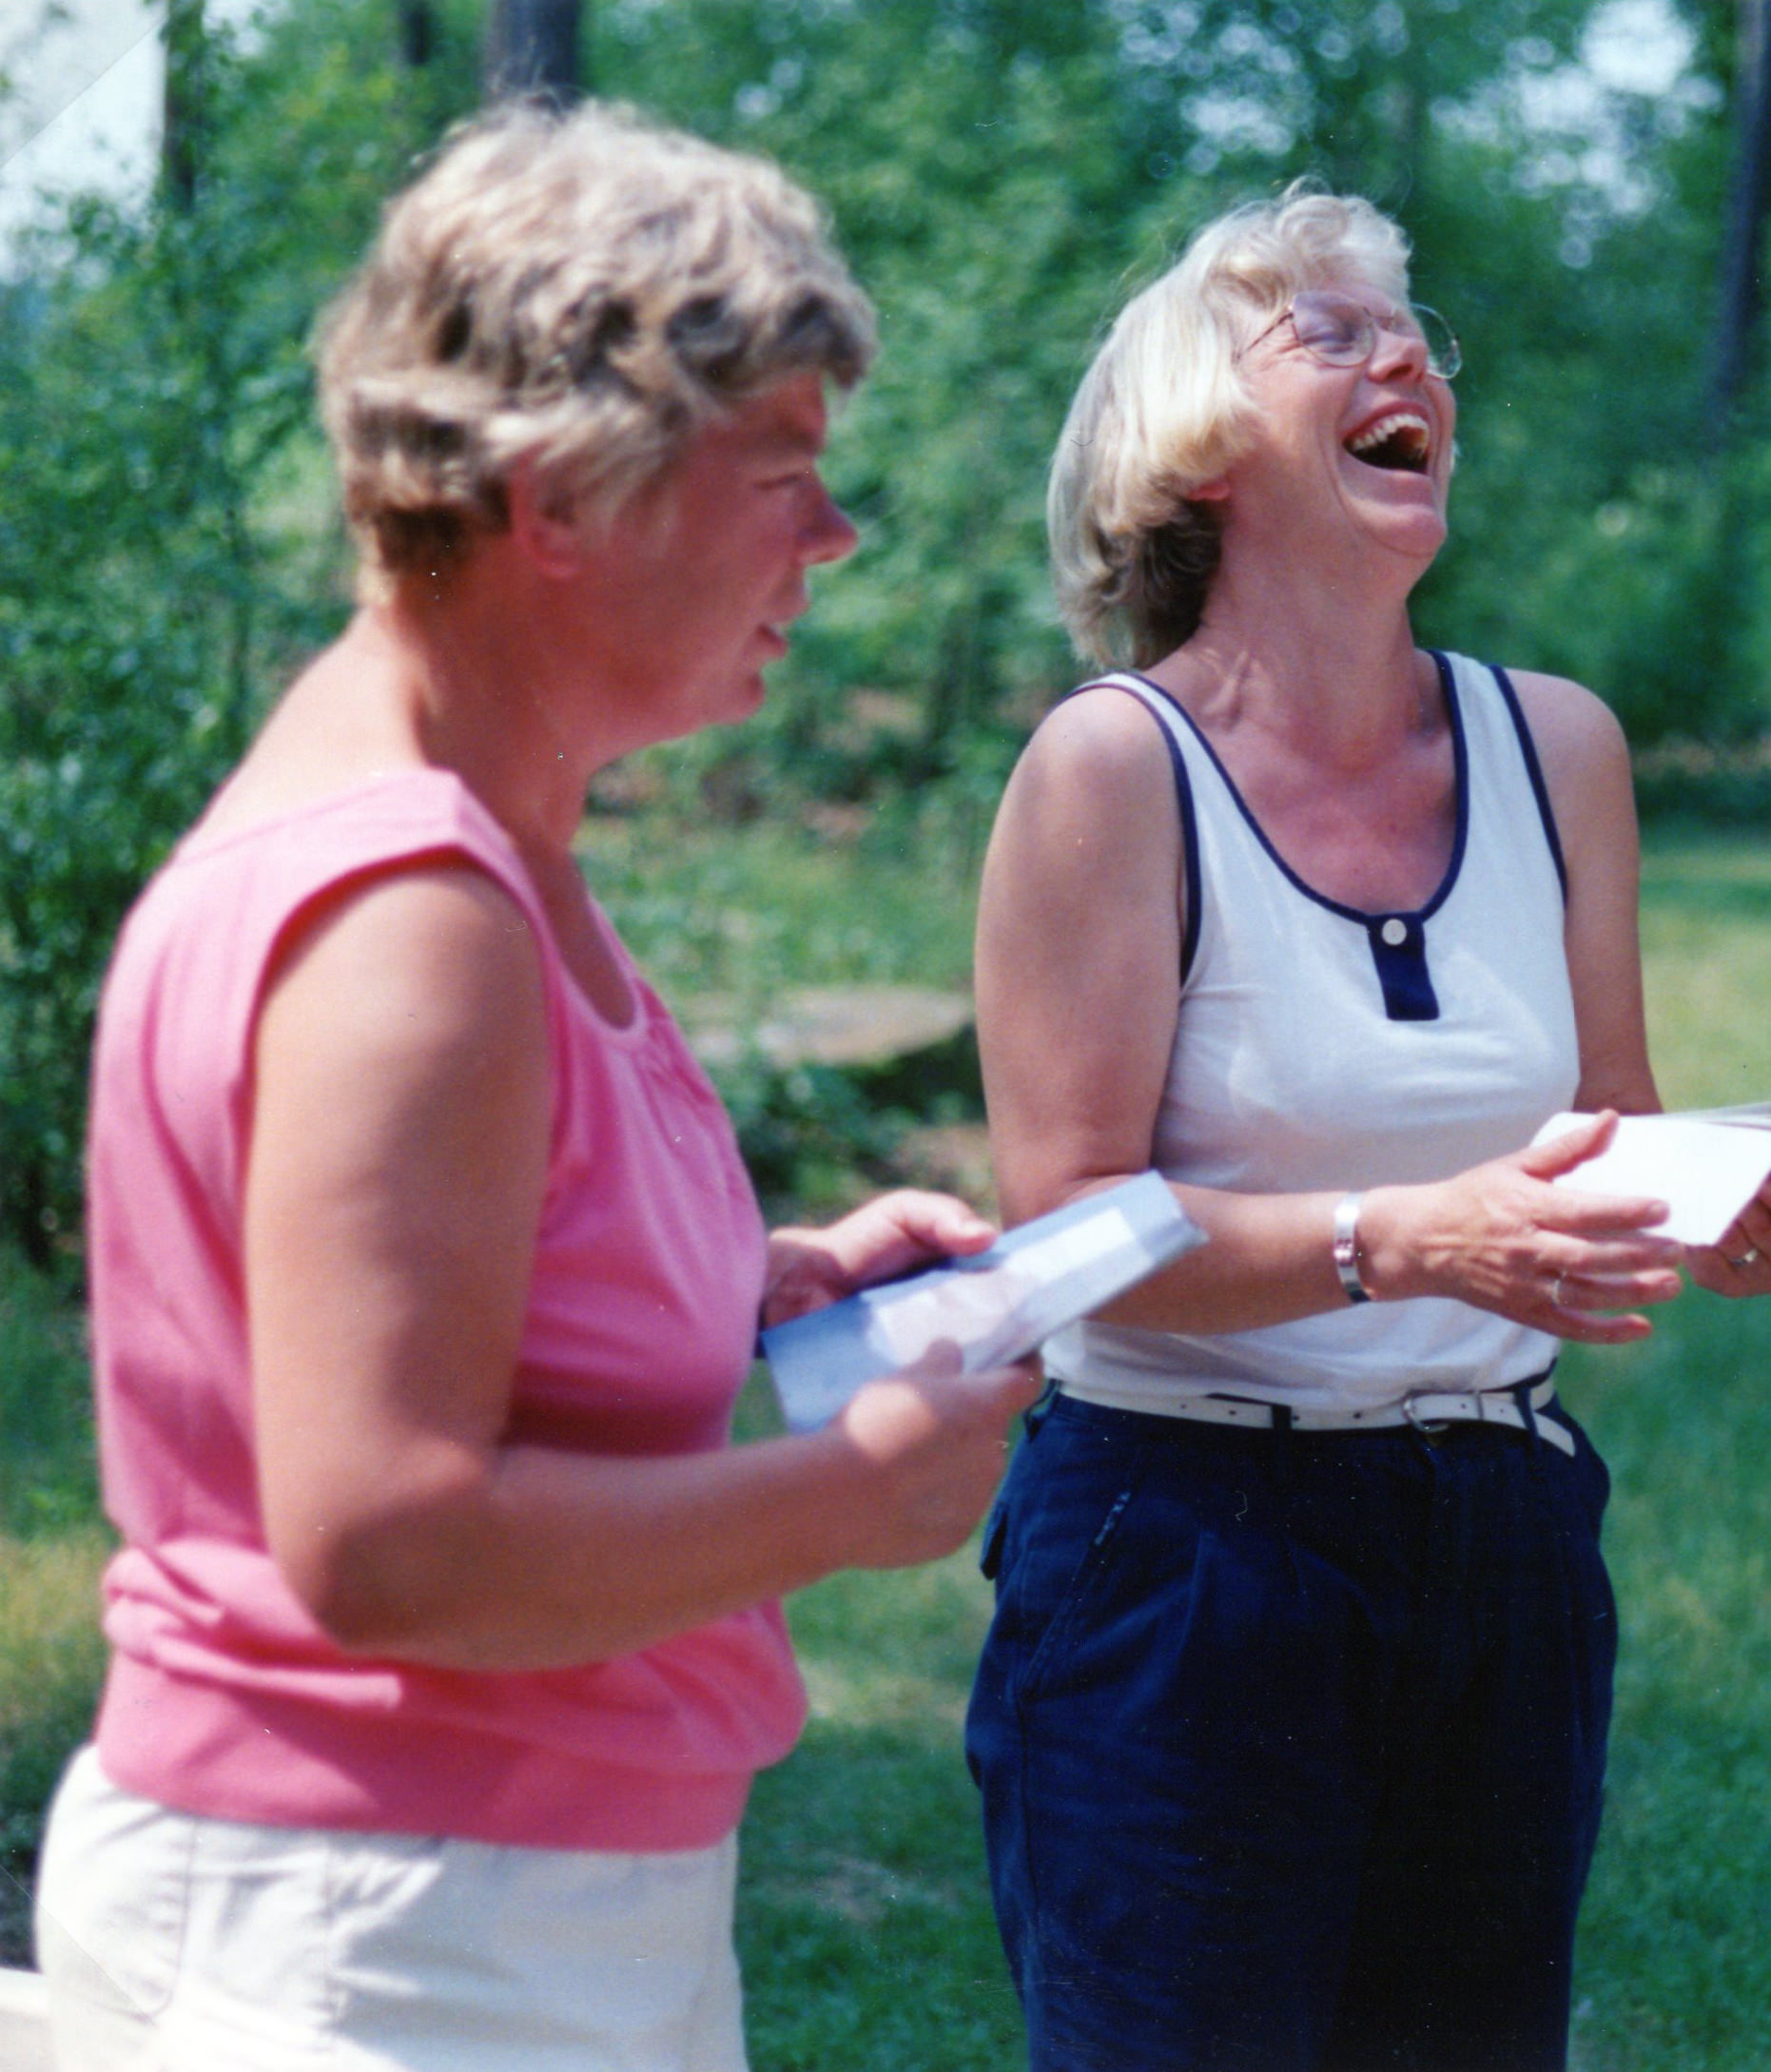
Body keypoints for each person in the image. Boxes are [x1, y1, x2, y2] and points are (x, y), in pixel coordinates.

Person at [32, 102, 1039, 2072]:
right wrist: (847, 1489)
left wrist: (755, 1289)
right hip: (388, 1936)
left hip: (466, 1910)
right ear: (560, 495)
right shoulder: (410, 912)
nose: (835, 537)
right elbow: (386, 1542)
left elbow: (437, 1313)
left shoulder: (485, 844)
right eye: (784, 475)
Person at [963, 187, 1771, 2072]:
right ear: (1195, 447)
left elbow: (1603, 1130)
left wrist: (1729, 1207)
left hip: (1502, 1543)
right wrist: (1400, 1238)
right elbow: (1059, 1237)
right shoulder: (1111, 768)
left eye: (1417, 336)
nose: (1411, 366)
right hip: (1180, 1555)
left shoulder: (1559, 748)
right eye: (1333, 334)